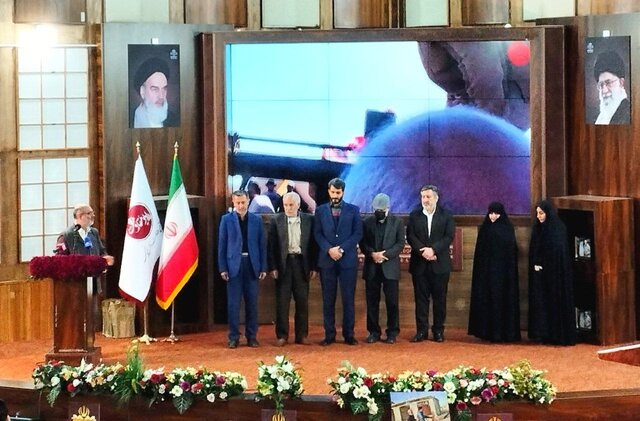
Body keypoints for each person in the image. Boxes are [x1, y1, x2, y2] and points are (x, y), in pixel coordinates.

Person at [314, 178, 363, 346]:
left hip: (347, 261)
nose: (335, 195)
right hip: (327, 261)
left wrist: (341, 249)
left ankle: (349, 334)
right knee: (328, 300)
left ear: (343, 192)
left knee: (348, 299)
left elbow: (357, 234)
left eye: (338, 192)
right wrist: (329, 249)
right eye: (333, 192)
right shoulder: (320, 211)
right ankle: (329, 334)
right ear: (328, 191)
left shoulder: (353, 210)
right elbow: (317, 234)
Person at [218, 190, 267, 349]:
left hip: (252, 265)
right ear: (233, 202)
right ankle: (233, 337)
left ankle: (251, 336)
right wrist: (223, 267)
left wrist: (263, 266)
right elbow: (222, 245)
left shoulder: (256, 220)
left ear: (248, 201)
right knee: (233, 304)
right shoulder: (226, 220)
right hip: (233, 266)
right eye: (237, 203)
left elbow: (262, 245)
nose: (240, 205)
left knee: (252, 303)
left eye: (243, 202)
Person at [268, 192, 317, 346]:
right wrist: (272, 267)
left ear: (298, 205)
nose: (288, 208)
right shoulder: (276, 220)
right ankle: (282, 335)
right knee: (282, 302)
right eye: (285, 205)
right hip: (284, 265)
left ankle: (302, 335)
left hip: (302, 264)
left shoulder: (309, 220)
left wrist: (314, 267)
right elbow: (271, 246)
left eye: (291, 205)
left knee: (302, 301)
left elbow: (313, 245)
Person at [407, 185, 455, 343]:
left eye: (428, 197)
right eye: (423, 197)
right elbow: (411, 236)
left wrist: (433, 250)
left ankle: (438, 331)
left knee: (440, 300)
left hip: (440, 264)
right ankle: (421, 331)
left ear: (436, 198)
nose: (425, 200)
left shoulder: (446, 215)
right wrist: (423, 251)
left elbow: (449, 236)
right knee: (421, 300)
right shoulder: (414, 215)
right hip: (419, 264)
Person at [468, 202, 521, 342]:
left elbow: (511, 252)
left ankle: (503, 333)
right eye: (491, 213)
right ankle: (486, 332)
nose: (492, 216)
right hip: (486, 274)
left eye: (496, 213)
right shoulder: (484, 229)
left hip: (503, 275)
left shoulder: (507, 229)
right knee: (487, 301)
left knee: (502, 301)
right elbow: (480, 254)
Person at [528, 200, 576, 345]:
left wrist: (545, 264)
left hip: (555, 275)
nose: (539, 216)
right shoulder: (538, 228)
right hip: (541, 276)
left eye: (541, 213)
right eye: (537, 213)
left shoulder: (557, 228)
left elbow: (558, 252)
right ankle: (544, 334)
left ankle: (557, 335)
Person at [359, 193, 405, 344]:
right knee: (372, 302)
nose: (378, 212)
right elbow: (363, 243)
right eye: (376, 210)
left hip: (390, 268)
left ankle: (392, 332)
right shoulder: (367, 222)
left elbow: (400, 244)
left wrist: (384, 255)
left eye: (381, 210)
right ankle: (373, 332)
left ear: (388, 208)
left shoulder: (397, 222)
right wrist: (372, 254)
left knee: (392, 302)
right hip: (372, 267)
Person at [132, 57, 178, 128]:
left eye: (164, 89)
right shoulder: (129, 118)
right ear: (142, 91)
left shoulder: (174, 120)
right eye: (155, 89)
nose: (161, 96)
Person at [592, 50, 630, 125]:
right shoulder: (598, 117)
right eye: (601, 85)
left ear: (621, 83)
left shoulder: (629, 114)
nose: (604, 90)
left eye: (608, 83)